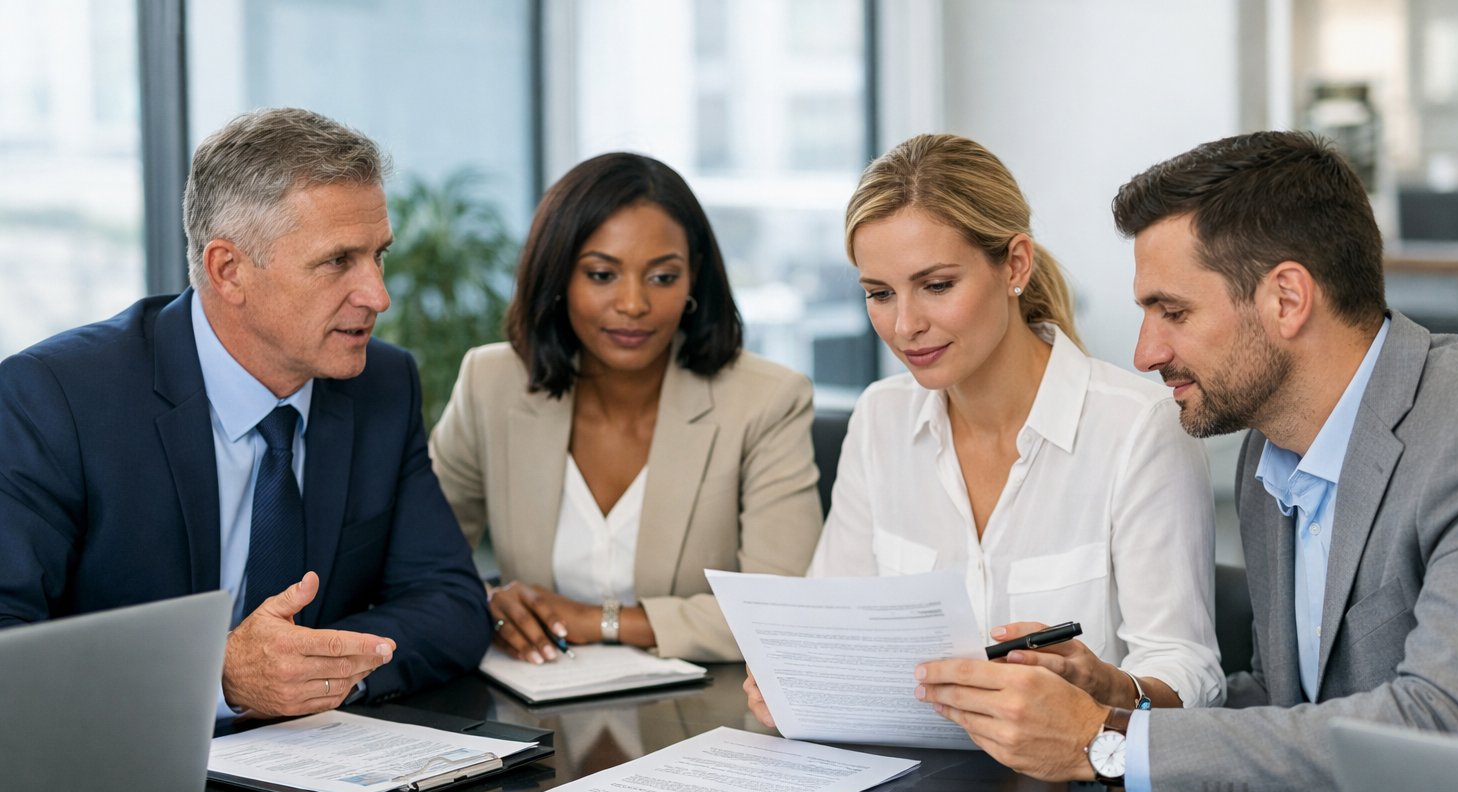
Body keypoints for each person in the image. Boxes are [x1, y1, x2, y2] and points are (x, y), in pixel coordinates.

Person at [913, 130, 1458, 792]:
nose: (1146, 353)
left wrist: (1107, 742)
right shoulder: (1269, 450)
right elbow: (1289, 702)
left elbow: (1448, 727)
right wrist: (1119, 695)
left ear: (1287, 299)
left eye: (1173, 312)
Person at [0, 107, 490, 718]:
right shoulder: (55, 398)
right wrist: (218, 678)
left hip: (324, 774)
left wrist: (314, 674)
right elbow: (9, 643)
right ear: (228, 270)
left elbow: (450, 602)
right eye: (338, 261)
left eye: (378, 255)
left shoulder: (383, 385)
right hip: (121, 775)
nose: (378, 295)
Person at [746, 133, 1224, 731]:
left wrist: (1105, 686)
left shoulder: (1137, 427)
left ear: (1014, 265)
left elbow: (1191, 680)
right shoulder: (880, 417)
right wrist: (795, 677)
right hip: (907, 785)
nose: (905, 325)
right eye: (879, 294)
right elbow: (831, 626)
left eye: (937, 285)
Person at [429, 152, 822, 664]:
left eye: (662, 277)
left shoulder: (766, 401)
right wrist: (487, 602)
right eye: (601, 275)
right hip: (536, 705)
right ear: (558, 277)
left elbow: (785, 610)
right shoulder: (492, 382)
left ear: (693, 280)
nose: (634, 304)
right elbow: (418, 566)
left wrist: (597, 622)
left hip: (705, 714)